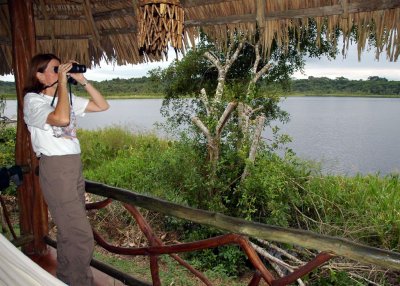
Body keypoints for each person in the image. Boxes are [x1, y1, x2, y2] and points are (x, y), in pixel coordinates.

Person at [23, 53, 109, 286]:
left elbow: (102, 106)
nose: (60, 71)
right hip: (57, 168)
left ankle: (67, 279)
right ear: (39, 75)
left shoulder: (66, 98)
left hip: (73, 166)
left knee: (68, 232)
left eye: (60, 68)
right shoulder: (33, 101)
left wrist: (82, 81)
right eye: (54, 69)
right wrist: (62, 83)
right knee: (80, 235)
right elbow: (60, 119)